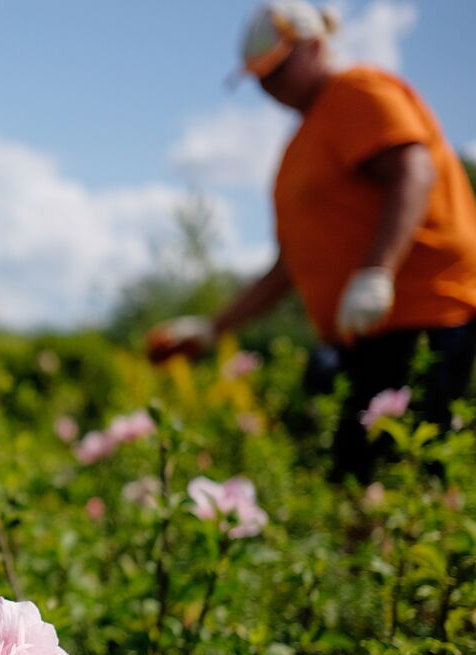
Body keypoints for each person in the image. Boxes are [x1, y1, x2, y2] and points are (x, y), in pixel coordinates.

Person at [148, 0, 476, 481]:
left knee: (404, 470)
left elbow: (413, 169)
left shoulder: (358, 91)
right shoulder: (303, 144)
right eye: (261, 77)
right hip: (366, 331)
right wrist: (216, 327)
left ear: (317, 46)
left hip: (423, 314)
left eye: (279, 69)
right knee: (357, 468)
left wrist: (376, 272)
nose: (270, 86)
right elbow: (290, 264)